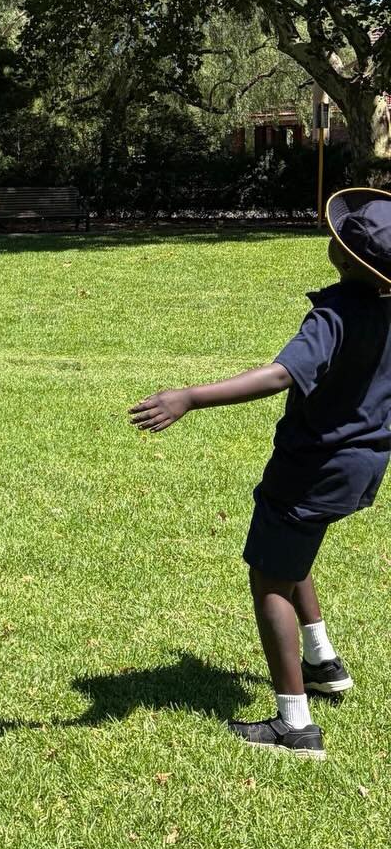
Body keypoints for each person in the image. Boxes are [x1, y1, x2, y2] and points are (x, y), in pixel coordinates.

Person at [131, 187, 391, 759]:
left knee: (269, 575)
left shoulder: (336, 312)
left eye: (340, 238)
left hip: (315, 462)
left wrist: (190, 397)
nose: (332, 238)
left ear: (349, 259)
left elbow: (281, 376)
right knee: (292, 547)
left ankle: (294, 726)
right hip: (363, 463)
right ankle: (322, 662)